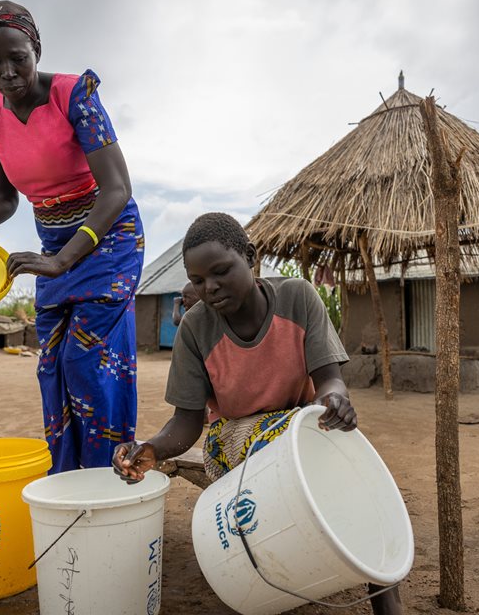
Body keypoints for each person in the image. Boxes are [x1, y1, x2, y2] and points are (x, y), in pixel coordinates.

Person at [112, 212, 403, 614]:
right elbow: (186, 422)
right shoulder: (195, 330)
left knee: (354, 466)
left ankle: (385, 589)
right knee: (305, 453)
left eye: (220, 272)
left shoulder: (298, 298)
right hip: (229, 438)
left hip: (298, 427)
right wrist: (153, 449)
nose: (210, 288)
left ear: (249, 256)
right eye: (198, 281)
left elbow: (330, 381)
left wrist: (335, 400)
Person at [0, 1, 144, 474]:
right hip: (53, 244)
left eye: (18, 58)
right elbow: (3, 200)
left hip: (108, 238)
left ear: (37, 49)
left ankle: (108, 474)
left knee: (86, 360)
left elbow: (117, 189)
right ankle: (68, 477)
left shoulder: (75, 95)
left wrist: (62, 261)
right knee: (52, 366)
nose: (7, 72)